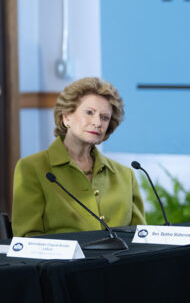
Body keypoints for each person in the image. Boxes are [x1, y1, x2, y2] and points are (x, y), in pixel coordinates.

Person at [12, 77, 145, 236]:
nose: (97, 122)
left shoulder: (126, 175)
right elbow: (27, 239)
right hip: (62, 261)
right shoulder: (31, 168)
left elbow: (141, 239)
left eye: (105, 117)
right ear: (66, 117)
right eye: (89, 112)